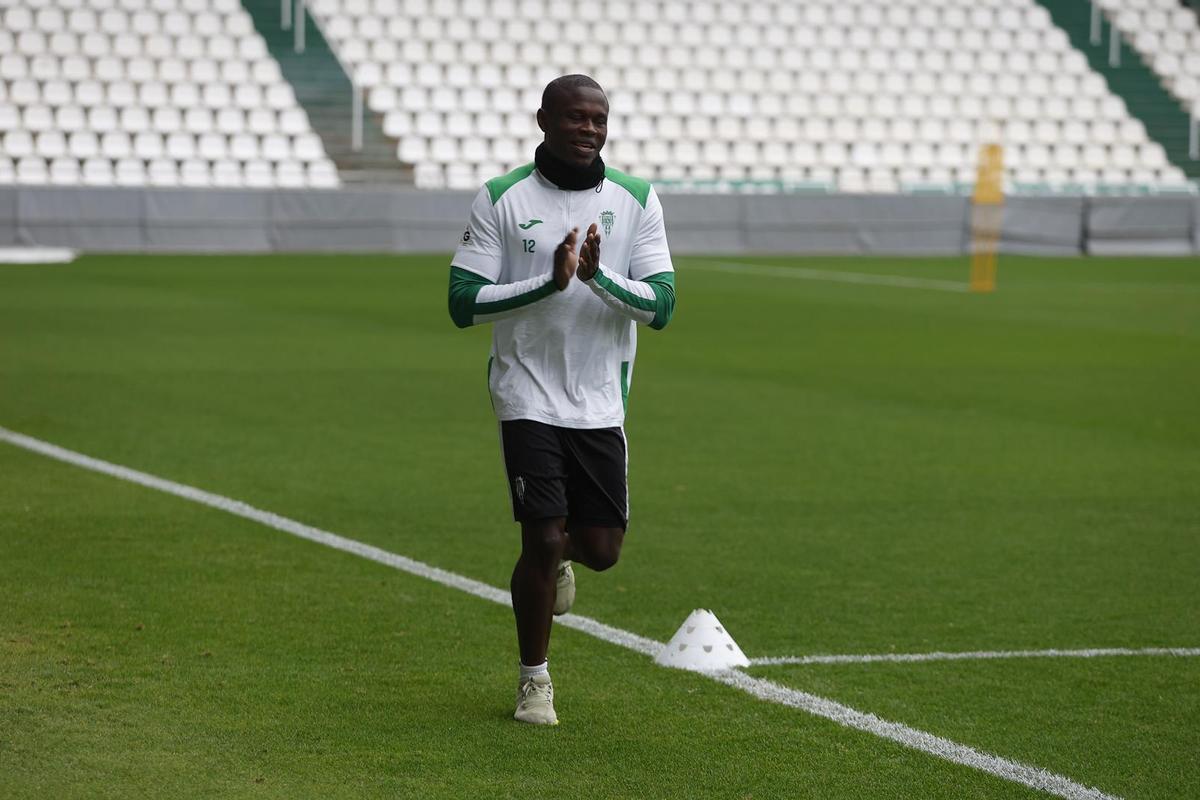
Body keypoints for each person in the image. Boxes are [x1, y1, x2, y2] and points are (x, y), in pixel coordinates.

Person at [448, 74, 675, 725]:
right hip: (524, 393)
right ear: (543, 120)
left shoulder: (636, 199)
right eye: (576, 118)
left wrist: (599, 278)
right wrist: (547, 284)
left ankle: (567, 556)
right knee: (541, 537)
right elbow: (463, 302)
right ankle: (534, 681)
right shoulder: (502, 198)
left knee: (599, 549)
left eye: (598, 119)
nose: (589, 129)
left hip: (600, 399)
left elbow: (662, 306)